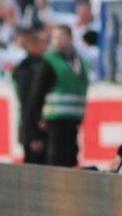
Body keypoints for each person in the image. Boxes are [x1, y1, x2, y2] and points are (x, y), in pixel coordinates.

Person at [22, 24, 90, 167]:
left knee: (70, 159)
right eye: (55, 38)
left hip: (73, 122)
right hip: (54, 123)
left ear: (71, 38)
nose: (57, 41)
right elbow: (35, 98)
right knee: (56, 160)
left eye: (61, 37)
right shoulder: (49, 62)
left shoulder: (80, 62)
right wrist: (33, 133)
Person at [12, 25, 48, 164]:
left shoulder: (43, 64)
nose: (46, 45)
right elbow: (28, 102)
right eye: (42, 41)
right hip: (33, 128)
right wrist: (34, 136)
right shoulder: (26, 69)